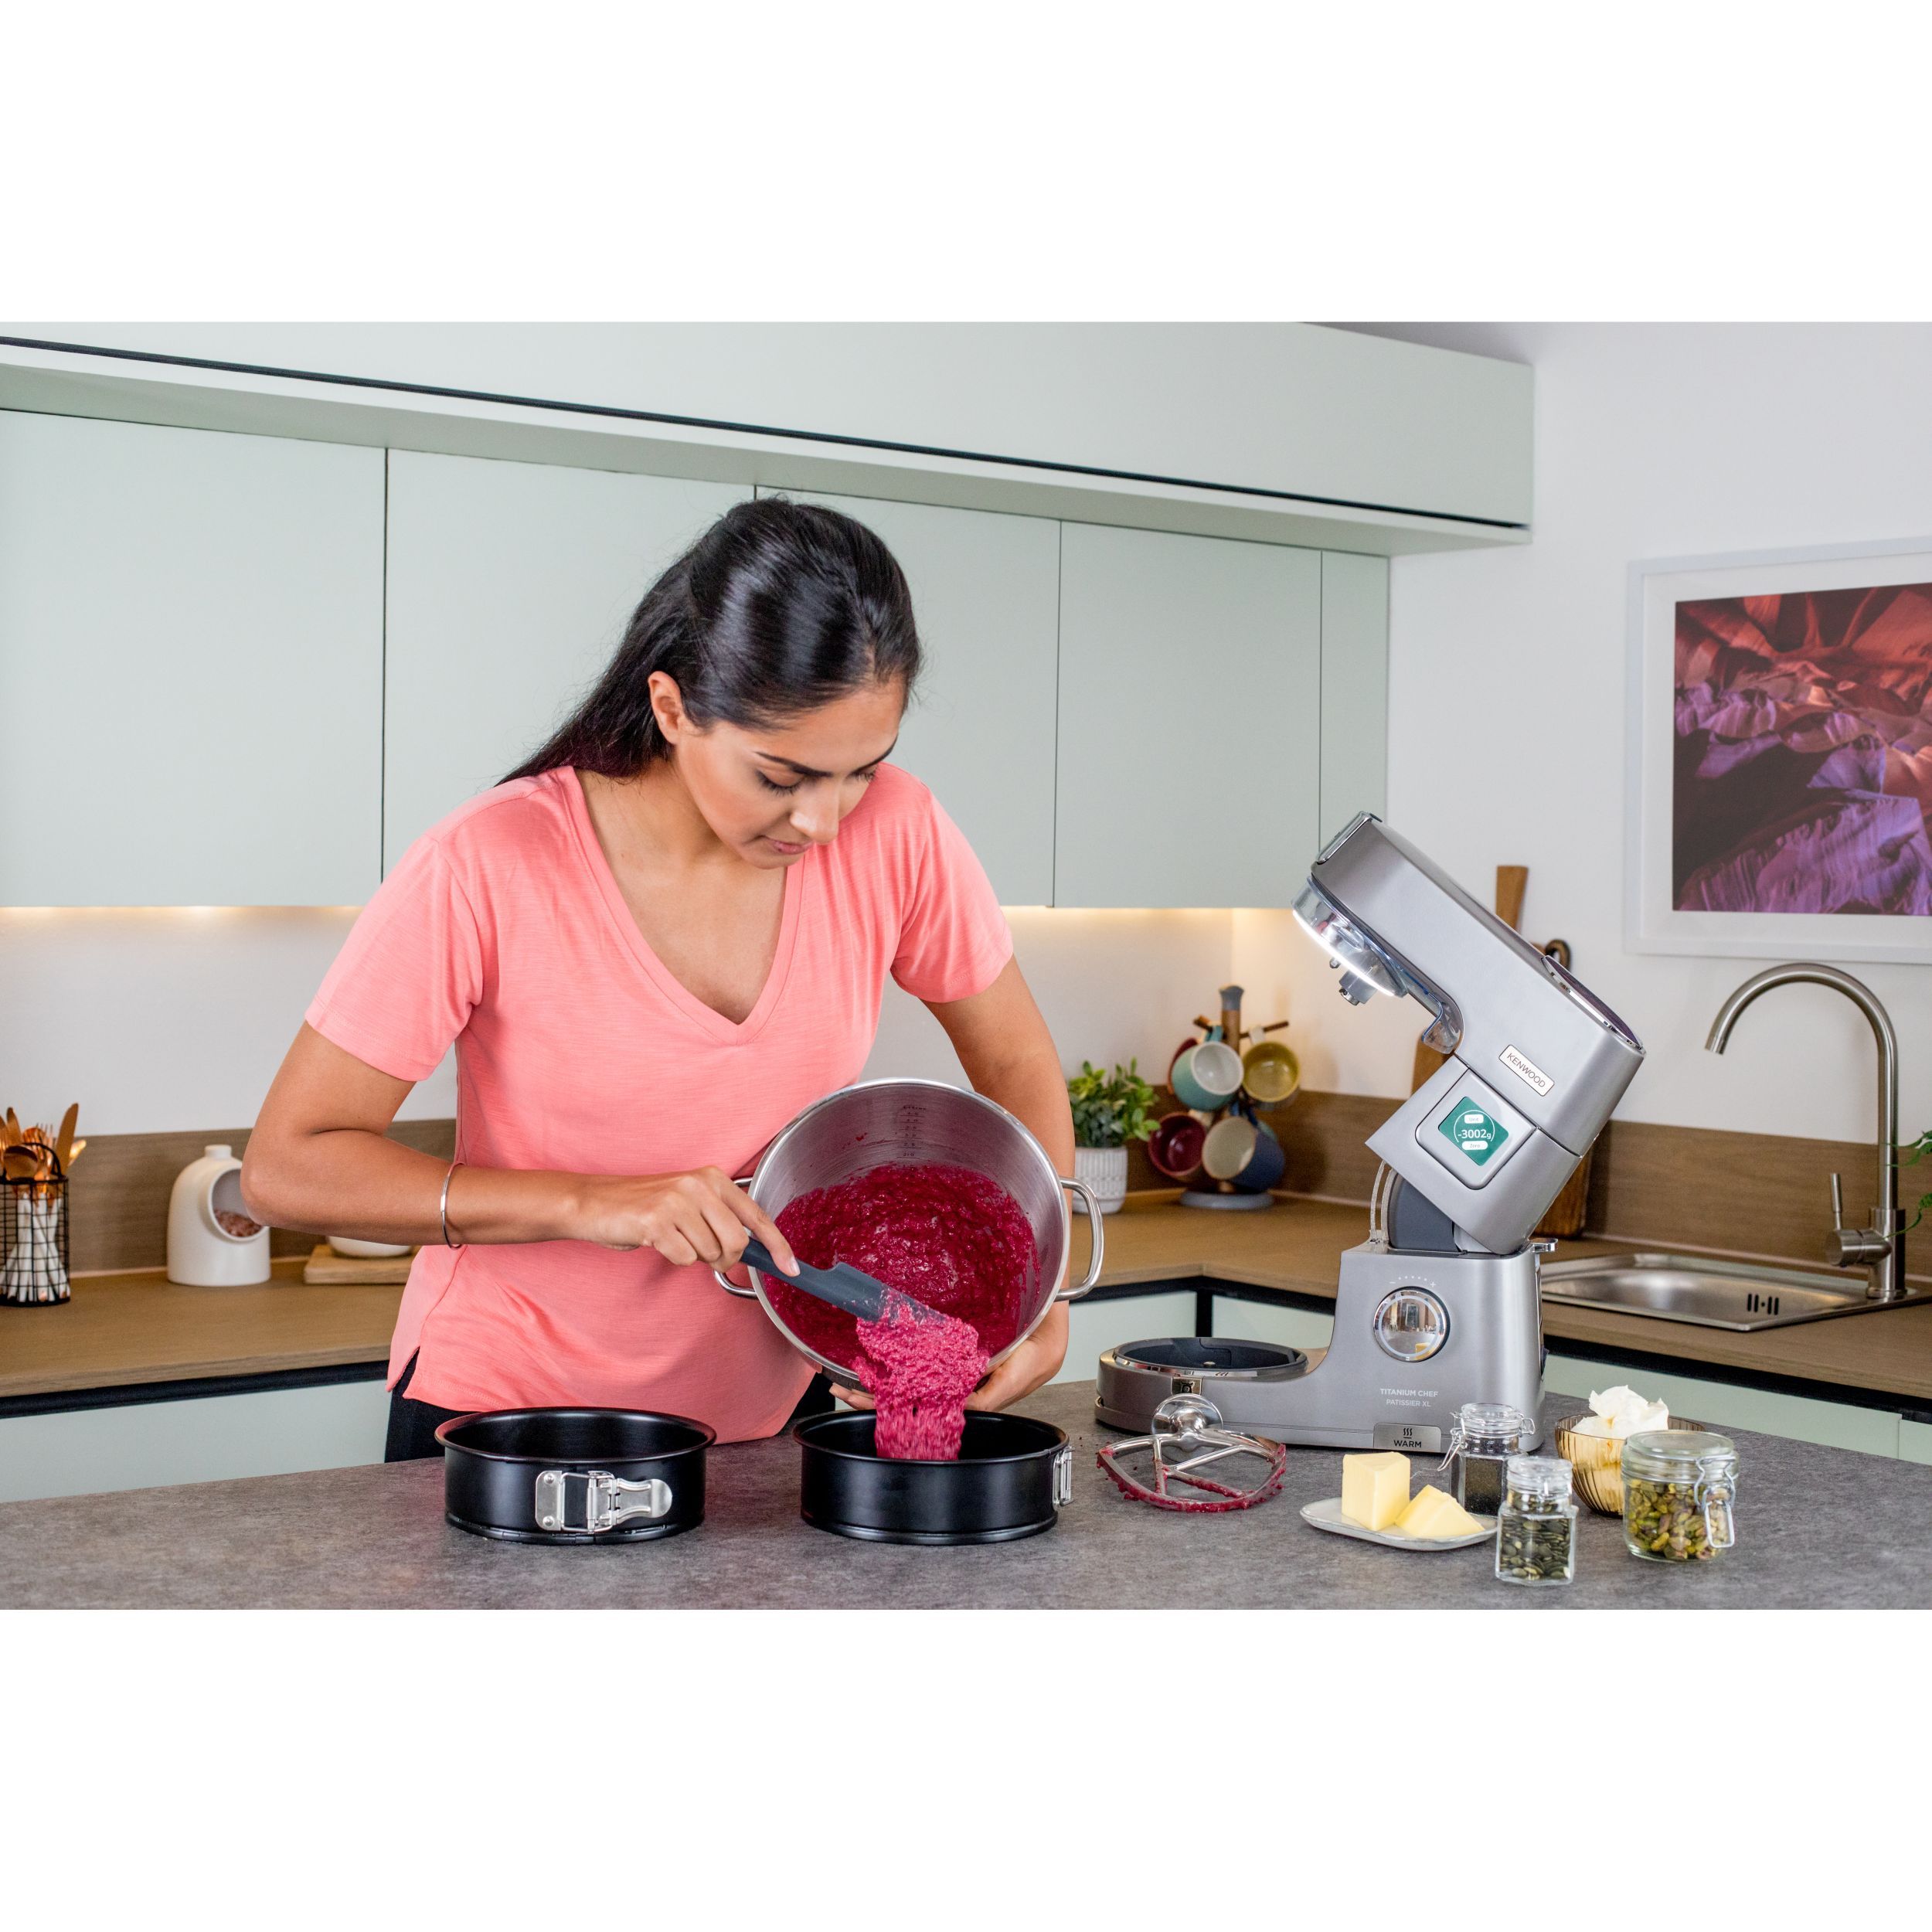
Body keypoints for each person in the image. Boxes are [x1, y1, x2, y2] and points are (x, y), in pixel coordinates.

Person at [241, 498, 1076, 1459]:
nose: (823, 823)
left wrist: (1043, 1296)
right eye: (781, 776)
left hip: (771, 1426)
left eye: (860, 771)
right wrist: (594, 1201)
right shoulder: (487, 862)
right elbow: (286, 1167)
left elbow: (1014, 1060)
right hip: (507, 1424)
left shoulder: (898, 831)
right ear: (673, 708)